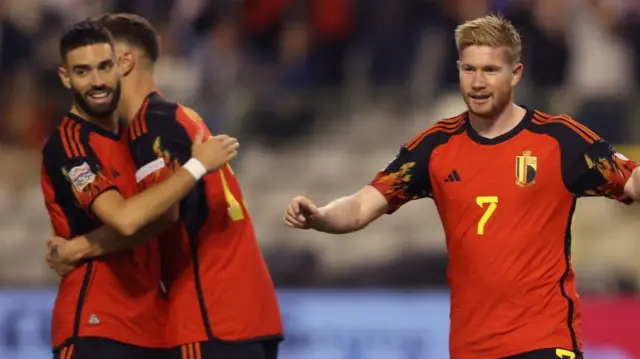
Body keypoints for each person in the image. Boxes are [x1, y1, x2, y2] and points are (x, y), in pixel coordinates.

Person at [283, 14, 640, 359]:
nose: (478, 82)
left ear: (516, 74)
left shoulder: (559, 139)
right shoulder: (436, 146)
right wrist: (321, 217)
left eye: (490, 70)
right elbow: (363, 206)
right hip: (473, 347)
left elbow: (631, 181)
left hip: (545, 341)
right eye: (469, 69)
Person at [46, 13, 283, 359]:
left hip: (207, 315)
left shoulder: (149, 126)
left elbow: (158, 215)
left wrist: (79, 248)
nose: (95, 78)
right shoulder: (182, 116)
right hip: (250, 312)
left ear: (123, 62)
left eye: (102, 63)